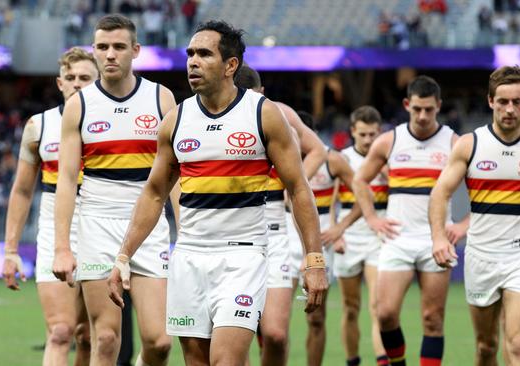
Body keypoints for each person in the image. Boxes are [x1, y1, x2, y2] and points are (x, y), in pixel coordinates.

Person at [106, 20, 328, 365]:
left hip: (243, 256)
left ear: (231, 66)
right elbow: (153, 194)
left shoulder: (263, 115)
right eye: (190, 54)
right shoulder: (176, 120)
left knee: (227, 360)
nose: (193, 61)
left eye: (204, 54)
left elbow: (299, 189)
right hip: (189, 256)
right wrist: (123, 257)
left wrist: (314, 260)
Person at [429, 65, 520, 365]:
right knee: (486, 346)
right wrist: (437, 237)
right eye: (503, 102)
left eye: (517, 102)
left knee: (519, 344)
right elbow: (440, 193)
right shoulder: (470, 145)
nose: (510, 109)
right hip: (481, 256)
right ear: (490, 101)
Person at [52, 14, 178, 366]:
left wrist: (186, 232)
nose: (110, 54)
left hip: (149, 227)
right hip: (97, 222)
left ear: (135, 51)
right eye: (103, 47)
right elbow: (66, 180)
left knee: (160, 342)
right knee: (104, 339)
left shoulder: (161, 99)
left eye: (119, 47)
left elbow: (174, 177)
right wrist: (63, 247)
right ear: (93, 51)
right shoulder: (80, 105)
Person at [352, 75, 467, 366]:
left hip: (436, 241)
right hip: (397, 239)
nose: (423, 115)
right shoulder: (390, 141)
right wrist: (371, 219)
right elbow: (360, 180)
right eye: (417, 109)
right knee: (386, 313)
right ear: (407, 105)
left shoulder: (454, 143)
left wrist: (463, 224)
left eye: (429, 109)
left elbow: (483, 190)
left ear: (439, 106)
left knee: (432, 318)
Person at [1, 47, 98, 366]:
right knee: (60, 331)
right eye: (70, 78)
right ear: (59, 83)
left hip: (103, 228)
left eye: (85, 77)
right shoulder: (38, 126)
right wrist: (11, 251)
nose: (77, 83)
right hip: (54, 233)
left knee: (90, 336)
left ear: (99, 80)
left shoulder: (115, 125)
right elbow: (22, 191)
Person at [234, 65, 327, 366]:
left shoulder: (279, 113)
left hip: (274, 227)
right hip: (233, 227)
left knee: (275, 333)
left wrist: (294, 184)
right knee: (237, 332)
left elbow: (317, 150)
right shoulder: (220, 115)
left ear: (262, 94)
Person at [287, 111, 358, 366]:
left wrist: (340, 227)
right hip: (283, 237)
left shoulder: (331, 160)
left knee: (316, 318)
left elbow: (363, 192)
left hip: (317, 241)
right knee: (273, 322)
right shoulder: (277, 154)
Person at [321, 105, 389, 366]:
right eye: (363, 135)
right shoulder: (343, 159)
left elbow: (402, 196)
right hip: (348, 239)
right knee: (351, 308)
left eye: (373, 134)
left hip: (378, 238)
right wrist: (336, 232)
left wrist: (389, 174)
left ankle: (383, 360)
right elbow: (333, 201)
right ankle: (353, 361)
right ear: (353, 132)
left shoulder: (387, 158)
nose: (369, 140)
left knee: (377, 306)